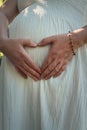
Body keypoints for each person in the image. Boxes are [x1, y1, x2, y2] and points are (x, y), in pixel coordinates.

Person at [0, 0, 87, 129]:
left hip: (71, 66)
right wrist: (2, 42)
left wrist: (75, 40)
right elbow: (3, 13)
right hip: (16, 74)